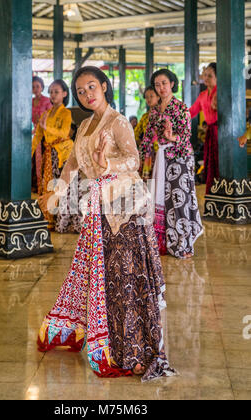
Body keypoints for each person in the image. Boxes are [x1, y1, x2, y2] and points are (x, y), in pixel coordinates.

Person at [36, 66, 176, 382]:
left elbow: (135, 160)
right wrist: (54, 194)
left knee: (127, 283)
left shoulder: (118, 121)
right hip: (101, 213)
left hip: (126, 213)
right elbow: (72, 163)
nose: (87, 94)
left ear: (104, 86)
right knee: (108, 283)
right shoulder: (85, 125)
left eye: (91, 87)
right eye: (81, 91)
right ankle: (116, 348)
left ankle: (138, 353)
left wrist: (107, 164)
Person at [144, 68, 203, 259]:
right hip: (161, 158)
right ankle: (162, 241)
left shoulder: (180, 107)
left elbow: (186, 137)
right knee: (160, 199)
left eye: (164, 83)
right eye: (157, 84)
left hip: (179, 159)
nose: (161, 87)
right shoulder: (154, 111)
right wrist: (138, 155)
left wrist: (172, 136)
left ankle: (182, 244)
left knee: (179, 201)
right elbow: (146, 138)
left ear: (172, 84)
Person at [32, 79, 80, 232]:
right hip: (49, 153)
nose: (52, 95)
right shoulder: (46, 113)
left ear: (64, 94)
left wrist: (48, 127)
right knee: (49, 185)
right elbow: (38, 136)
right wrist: (29, 154)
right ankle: (49, 219)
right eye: (51, 92)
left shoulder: (66, 113)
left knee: (64, 187)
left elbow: (64, 132)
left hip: (64, 153)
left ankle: (65, 222)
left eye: (56, 92)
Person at [189, 63, 218, 194]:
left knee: (219, 162)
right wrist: (175, 115)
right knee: (209, 162)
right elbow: (191, 111)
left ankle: (220, 191)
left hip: (221, 132)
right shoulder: (202, 95)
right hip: (210, 133)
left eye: (210, 76)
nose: (206, 78)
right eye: (205, 75)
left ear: (217, 77)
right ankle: (211, 191)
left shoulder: (221, 92)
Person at [32, 76, 52, 193]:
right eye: (33, 87)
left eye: (37, 86)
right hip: (35, 133)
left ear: (42, 87)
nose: (35, 89)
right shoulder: (30, 102)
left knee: (42, 160)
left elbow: (50, 117)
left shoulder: (47, 101)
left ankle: (43, 186)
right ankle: (36, 185)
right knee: (34, 160)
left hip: (45, 133)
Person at [135, 86, 160, 180]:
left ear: (158, 97)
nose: (148, 99)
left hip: (160, 152)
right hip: (146, 153)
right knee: (147, 181)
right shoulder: (145, 117)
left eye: (151, 96)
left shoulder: (164, 114)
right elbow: (135, 134)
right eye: (146, 97)